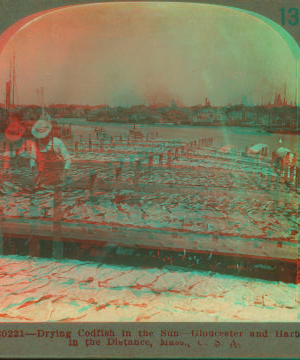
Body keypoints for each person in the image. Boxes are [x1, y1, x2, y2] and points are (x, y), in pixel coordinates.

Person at [31, 111, 71, 187]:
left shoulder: (57, 142)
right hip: (42, 178)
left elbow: (68, 159)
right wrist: (35, 174)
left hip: (56, 177)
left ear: (48, 133)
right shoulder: (35, 145)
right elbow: (32, 160)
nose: (41, 138)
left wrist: (64, 173)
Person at [2, 115, 40, 191]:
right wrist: (6, 169)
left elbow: (36, 160)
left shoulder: (30, 144)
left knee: (27, 190)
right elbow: (6, 159)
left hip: (28, 175)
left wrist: (35, 174)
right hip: (14, 175)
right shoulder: (8, 145)